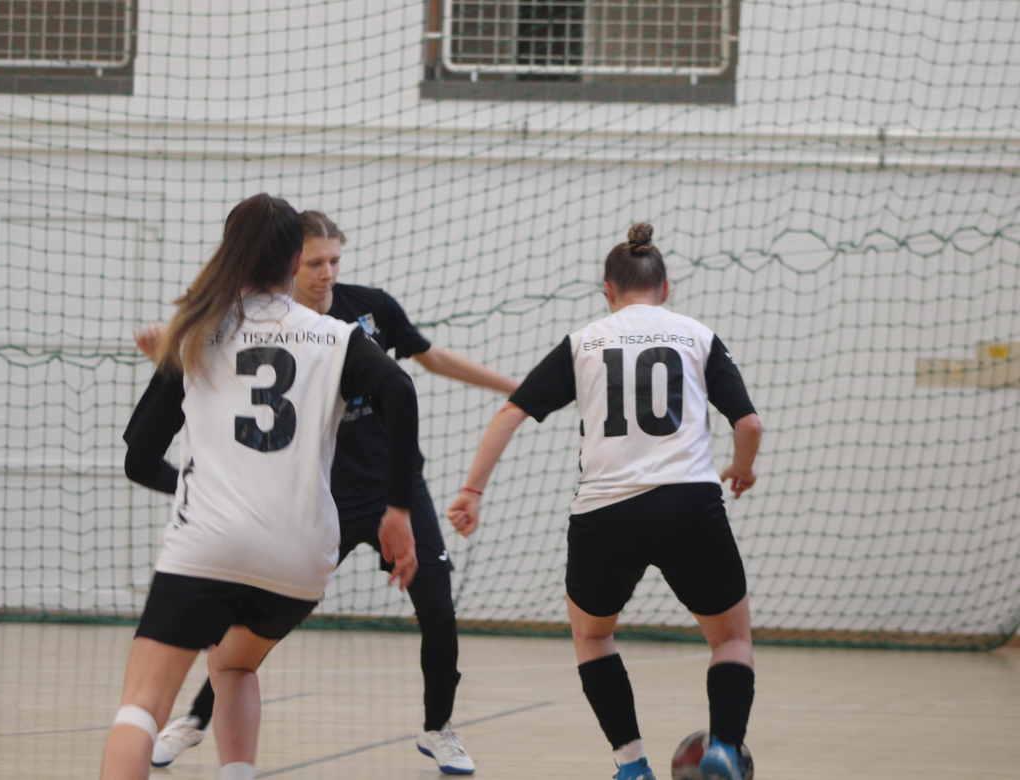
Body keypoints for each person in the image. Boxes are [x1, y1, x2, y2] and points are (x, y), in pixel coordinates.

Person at [138, 210, 519, 775]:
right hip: (318, 497)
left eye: (335, 261)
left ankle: (439, 728)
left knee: (439, 611)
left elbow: (430, 359)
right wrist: (170, 362)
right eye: (315, 263)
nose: (327, 273)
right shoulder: (258, 327)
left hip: (392, 490)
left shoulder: (370, 311)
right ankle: (195, 718)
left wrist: (517, 389)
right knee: (248, 628)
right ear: (289, 265)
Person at [100, 193, 420, 780]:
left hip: (207, 546)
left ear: (232, 253)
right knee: (233, 666)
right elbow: (400, 390)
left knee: (141, 708)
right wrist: (397, 509)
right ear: (296, 262)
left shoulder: (196, 332)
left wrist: (196, 486)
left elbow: (139, 460)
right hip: (297, 558)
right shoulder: (335, 336)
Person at [447, 223, 762, 780]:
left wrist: (472, 491)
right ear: (666, 288)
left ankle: (631, 764)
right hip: (689, 503)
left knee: (593, 636)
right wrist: (741, 467)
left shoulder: (583, 342)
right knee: (731, 639)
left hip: (604, 512)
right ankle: (724, 747)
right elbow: (749, 424)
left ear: (607, 291)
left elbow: (510, 413)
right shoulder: (696, 335)